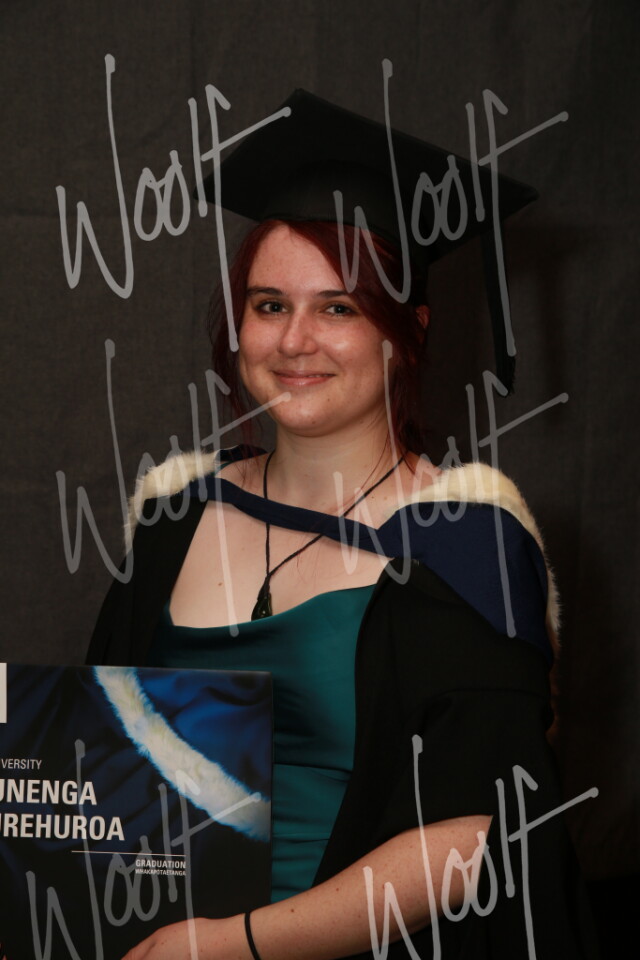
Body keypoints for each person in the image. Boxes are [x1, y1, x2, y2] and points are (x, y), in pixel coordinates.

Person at [88, 91, 598, 959]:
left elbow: (473, 841)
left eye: (339, 307)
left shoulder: (464, 546)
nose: (295, 342)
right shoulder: (174, 520)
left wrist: (230, 945)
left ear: (409, 333)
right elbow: (96, 765)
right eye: (269, 304)